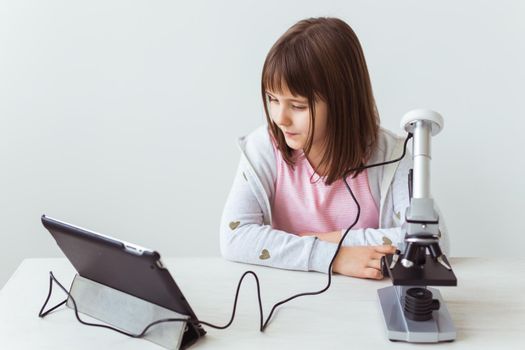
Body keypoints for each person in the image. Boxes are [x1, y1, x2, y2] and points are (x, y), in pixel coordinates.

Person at [220, 17, 449, 280]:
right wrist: (335, 256)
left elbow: (433, 242)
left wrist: (331, 239)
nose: (279, 118)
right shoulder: (264, 147)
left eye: (298, 106)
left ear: (341, 103)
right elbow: (234, 236)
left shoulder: (391, 156)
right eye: (273, 99)